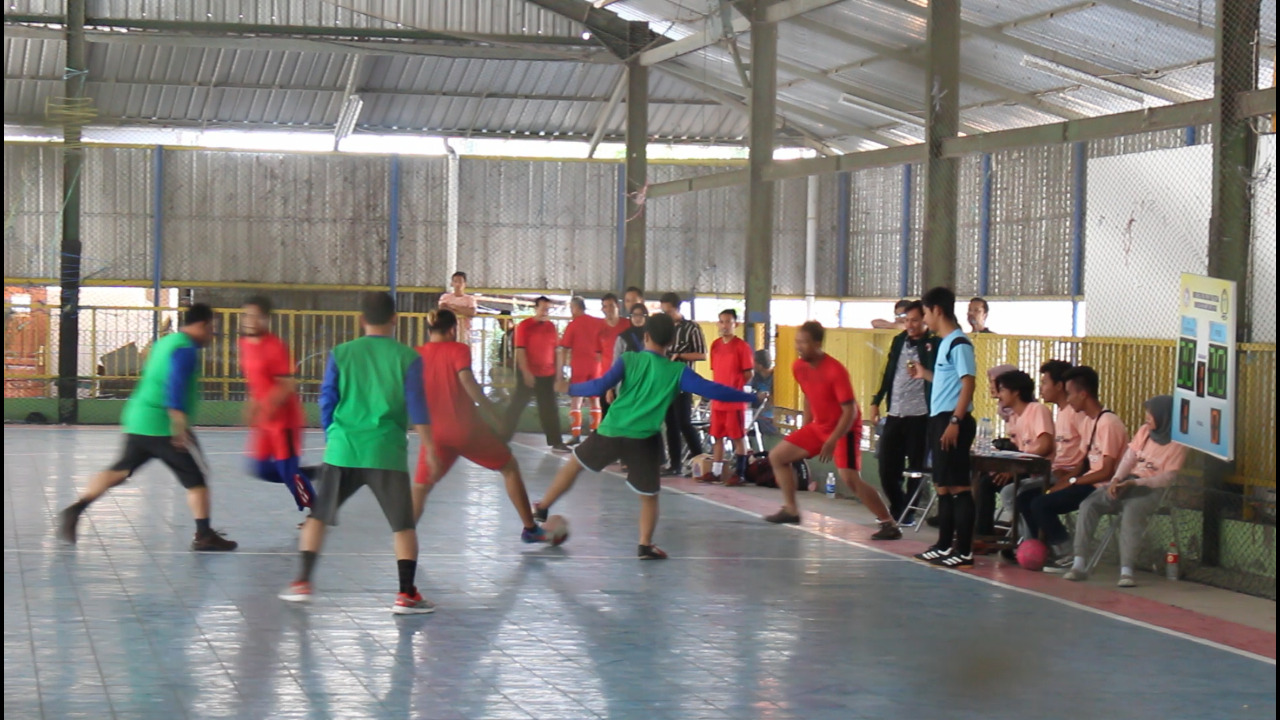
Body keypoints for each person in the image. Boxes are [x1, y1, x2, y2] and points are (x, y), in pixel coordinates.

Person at [536, 313, 761, 560]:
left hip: (612, 429)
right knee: (649, 496)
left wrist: (569, 388)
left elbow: (599, 387)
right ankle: (645, 545)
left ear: (646, 336)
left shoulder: (628, 359)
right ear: (671, 342)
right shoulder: (677, 371)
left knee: (574, 465)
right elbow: (713, 389)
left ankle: (543, 507)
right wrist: (750, 397)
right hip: (644, 439)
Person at [279, 292, 438, 613]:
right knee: (403, 526)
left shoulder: (341, 354)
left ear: (361, 320)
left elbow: (327, 400)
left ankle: (302, 581)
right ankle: (406, 594)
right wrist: (431, 448)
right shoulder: (408, 358)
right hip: (386, 453)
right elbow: (418, 407)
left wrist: (333, 436)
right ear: (394, 319)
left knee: (318, 517)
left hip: (343, 451)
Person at [57, 304, 238, 551]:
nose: (211, 335)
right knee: (196, 480)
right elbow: (173, 386)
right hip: (163, 426)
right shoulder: (185, 350)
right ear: (202, 325)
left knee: (120, 470)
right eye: (211, 329)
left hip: (139, 418)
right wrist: (179, 427)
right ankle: (204, 535)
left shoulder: (165, 343)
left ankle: (76, 509)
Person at [410, 310, 544, 542]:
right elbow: (466, 380)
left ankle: (404, 536)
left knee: (421, 488)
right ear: (452, 330)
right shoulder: (459, 349)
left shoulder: (416, 355)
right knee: (509, 467)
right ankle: (530, 528)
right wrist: (492, 412)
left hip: (435, 435)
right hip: (466, 431)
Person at [763, 321, 902, 540]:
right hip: (820, 426)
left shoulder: (835, 371)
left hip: (844, 428)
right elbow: (808, 395)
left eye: (804, 343)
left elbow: (850, 413)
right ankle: (791, 509)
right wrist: (805, 428)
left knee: (850, 479)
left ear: (817, 344)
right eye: (797, 342)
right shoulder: (798, 367)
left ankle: (889, 524)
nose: (799, 347)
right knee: (778, 456)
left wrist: (832, 440)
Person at [1065, 395, 1186, 587]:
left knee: (1132, 511)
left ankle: (1126, 570)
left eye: (1151, 414)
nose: (1146, 417)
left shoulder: (1178, 444)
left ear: (1164, 416)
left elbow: (1167, 478)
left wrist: (1136, 484)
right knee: (1089, 504)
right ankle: (1079, 562)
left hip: (1151, 489)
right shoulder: (1145, 432)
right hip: (1127, 482)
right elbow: (1129, 459)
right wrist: (1116, 480)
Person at [1018, 366, 1128, 568]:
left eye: (1069, 394)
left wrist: (1072, 482)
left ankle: (1066, 551)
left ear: (1083, 394)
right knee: (1027, 497)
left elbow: (1106, 471)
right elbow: (1084, 461)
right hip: (1086, 480)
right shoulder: (1089, 422)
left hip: (1100, 485)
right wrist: (1063, 481)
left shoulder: (1109, 423)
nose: (1067, 400)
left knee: (1041, 505)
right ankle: (1043, 548)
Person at [909, 287, 979, 568]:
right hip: (939, 419)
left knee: (959, 487)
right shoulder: (945, 343)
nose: (924, 319)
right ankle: (943, 544)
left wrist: (955, 421)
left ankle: (964, 550)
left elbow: (968, 383)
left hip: (953, 420)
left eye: (924, 313)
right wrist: (924, 374)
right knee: (943, 486)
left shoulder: (959, 343)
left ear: (937, 310)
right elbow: (947, 381)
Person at [237, 295, 316, 518]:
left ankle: (318, 511)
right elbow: (255, 381)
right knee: (260, 467)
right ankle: (306, 475)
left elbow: (287, 384)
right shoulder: (243, 344)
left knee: (288, 471)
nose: (249, 320)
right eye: (246, 315)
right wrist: (252, 405)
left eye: (255, 316)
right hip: (264, 423)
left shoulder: (275, 347)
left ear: (265, 319)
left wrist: (268, 405)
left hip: (285, 421)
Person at [868, 300, 935, 525]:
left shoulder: (932, 344)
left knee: (916, 467)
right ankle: (899, 506)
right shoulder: (899, 341)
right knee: (887, 465)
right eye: (907, 320)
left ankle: (908, 513)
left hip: (920, 415)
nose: (910, 325)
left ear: (925, 320)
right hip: (895, 411)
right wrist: (876, 400)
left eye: (915, 320)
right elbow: (888, 372)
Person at [978, 370, 1055, 536]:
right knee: (983, 478)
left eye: (1002, 390)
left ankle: (1025, 538)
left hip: (1038, 470)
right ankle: (982, 533)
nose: (998, 395)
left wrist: (1016, 467)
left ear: (1016, 391)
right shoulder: (1013, 417)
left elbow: (1045, 446)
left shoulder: (1037, 410)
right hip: (1022, 468)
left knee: (988, 484)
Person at [502, 296, 570, 453]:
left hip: (548, 374)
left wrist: (559, 375)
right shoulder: (524, 326)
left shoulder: (551, 327)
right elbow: (520, 351)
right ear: (536, 308)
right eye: (543, 308)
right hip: (529, 374)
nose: (546, 312)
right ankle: (502, 437)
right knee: (517, 406)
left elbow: (557, 351)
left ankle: (556, 442)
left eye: (548, 309)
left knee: (550, 408)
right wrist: (526, 373)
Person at [703, 309, 755, 485]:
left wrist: (735, 388)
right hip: (718, 400)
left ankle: (739, 473)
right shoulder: (715, 345)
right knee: (717, 436)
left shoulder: (742, 347)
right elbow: (716, 372)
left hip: (734, 401)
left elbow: (749, 373)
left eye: (728, 322)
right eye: (722, 322)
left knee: (738, 437)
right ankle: (716, 472)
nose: (724, 326)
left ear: (736, 324)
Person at [660, 292, 707, 474]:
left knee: (684, 422)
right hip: (665, 383)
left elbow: (701, 354)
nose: (668, 316)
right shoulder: (663, 329)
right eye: (665, 312)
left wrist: (679, 355)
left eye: (670, 312)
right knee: (670, 422)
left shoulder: (691, 328)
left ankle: (701, 461)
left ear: (677, 309)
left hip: (683, 381)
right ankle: (675, 464)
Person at [558, 297, 604, 445]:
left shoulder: (573, 325)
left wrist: (560, 372)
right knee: (595, 400)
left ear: (576, 308)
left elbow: (564, 347)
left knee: (576, 400)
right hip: (596, 365)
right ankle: (594, 434)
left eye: (571, 308)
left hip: (579, 366)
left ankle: (576, 434)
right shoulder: (598, 322)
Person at [597, 293, 628, 417]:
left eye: (611, 305)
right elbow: (598, 355)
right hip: (607, 379)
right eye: (605, 306)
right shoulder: (599, 328)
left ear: (618, 306)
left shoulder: (627, 325)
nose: (608, 309)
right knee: (606, 416)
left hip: (625, 378)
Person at [439, 271, 478, 340]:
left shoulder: (470, 299)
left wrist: (453, 307)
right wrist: (463, 310)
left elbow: (472, 312)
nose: (457, 284)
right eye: (455, 281)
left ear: (465, 284)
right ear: (452, 283)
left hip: (463, 330)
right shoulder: (445, 297)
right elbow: (442, 309)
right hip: (448, 329)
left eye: (460, 282)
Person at [751, 349, 778, 437]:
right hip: (758, 413)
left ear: (760, 365)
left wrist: (767, 397)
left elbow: (776, 401)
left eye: (753, 361)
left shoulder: (776, 378)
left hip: (771, 416)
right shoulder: (755, 377)